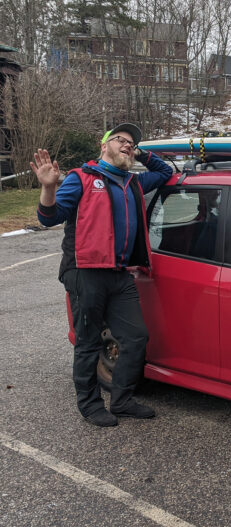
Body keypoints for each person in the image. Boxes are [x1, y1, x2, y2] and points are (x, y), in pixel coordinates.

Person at [32, 123, 173, 427]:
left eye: (132, 144)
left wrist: (141, 153)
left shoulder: (133, 182)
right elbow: (49, 217)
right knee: (88, 342)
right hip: (85, 272)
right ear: (103, 145)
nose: (127, 146)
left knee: (136, 338)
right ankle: (90, 405)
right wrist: (47, 188)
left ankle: (121, 400)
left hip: (120, 274)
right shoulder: (81, 178)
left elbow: (164, 174)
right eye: (121, 140)